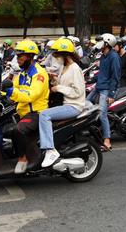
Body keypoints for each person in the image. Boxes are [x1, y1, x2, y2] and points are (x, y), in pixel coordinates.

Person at [1, 39, 50, 174]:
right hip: (22, 111)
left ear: (29, 56)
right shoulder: (22, 74)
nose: (18, 59)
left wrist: (11, 92)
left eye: (20, 56)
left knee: (18, 130)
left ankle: (23, 158)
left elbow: (30, 95)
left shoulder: (39, 74)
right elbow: (13, 87)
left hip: (36, 113)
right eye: (17, 56)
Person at [38, 38, 85, 167]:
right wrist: (53, 80)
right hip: (64, 103)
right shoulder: (64, 67)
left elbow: (78, 91)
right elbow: (62, 85)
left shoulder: (74, 68)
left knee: (44, 115)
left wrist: (58, 88)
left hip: (73, 106)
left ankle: (50, 150)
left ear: (65, 54)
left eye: (57, 54)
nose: (55, 57)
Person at [87, 33, 121, 151]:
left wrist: (111, 94)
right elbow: (102, 73)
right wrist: (90, 79)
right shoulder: (103, 56)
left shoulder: (113, 57)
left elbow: (115, 76)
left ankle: (107, 141)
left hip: (106, 89)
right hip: (99, 86)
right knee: (86, 103)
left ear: (107, 43)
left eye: (102, 41)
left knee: (102, 114)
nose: (99, 44)